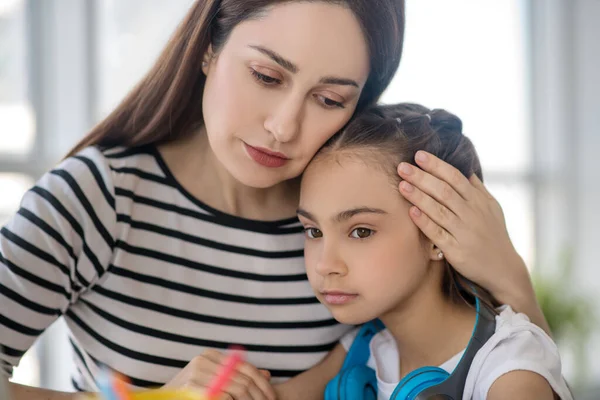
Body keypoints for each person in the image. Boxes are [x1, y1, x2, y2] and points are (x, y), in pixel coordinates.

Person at [0, 1, 549, 399]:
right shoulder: (98, 197)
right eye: (266, 75)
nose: (283, 126)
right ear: (210, 48)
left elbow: (507, 365)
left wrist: (511, 280)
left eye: (330, 98)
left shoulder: (362, 214)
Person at [290, 103, 572, 399]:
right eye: (313, 231)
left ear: (438, 235)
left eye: (361, 231)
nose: (324, 265)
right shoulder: (367, 348)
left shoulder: (510, 369)